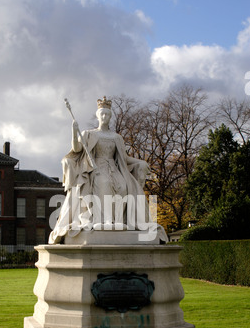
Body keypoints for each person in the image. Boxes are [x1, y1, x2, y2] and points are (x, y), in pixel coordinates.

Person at [49, 96, 167, 244]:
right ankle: (103, 221)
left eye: (107, 115)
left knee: (123, 186)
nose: (104, 117)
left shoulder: (116, 137)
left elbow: (124, 158)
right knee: (103, 183)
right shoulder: (89, 134)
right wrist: (74, 132)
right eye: (102, 114)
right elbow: (76, 149)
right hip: (95, 168)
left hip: (114, 168)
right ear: (98, 116)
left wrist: (141, 162)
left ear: (110, 117)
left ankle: (117, 221)